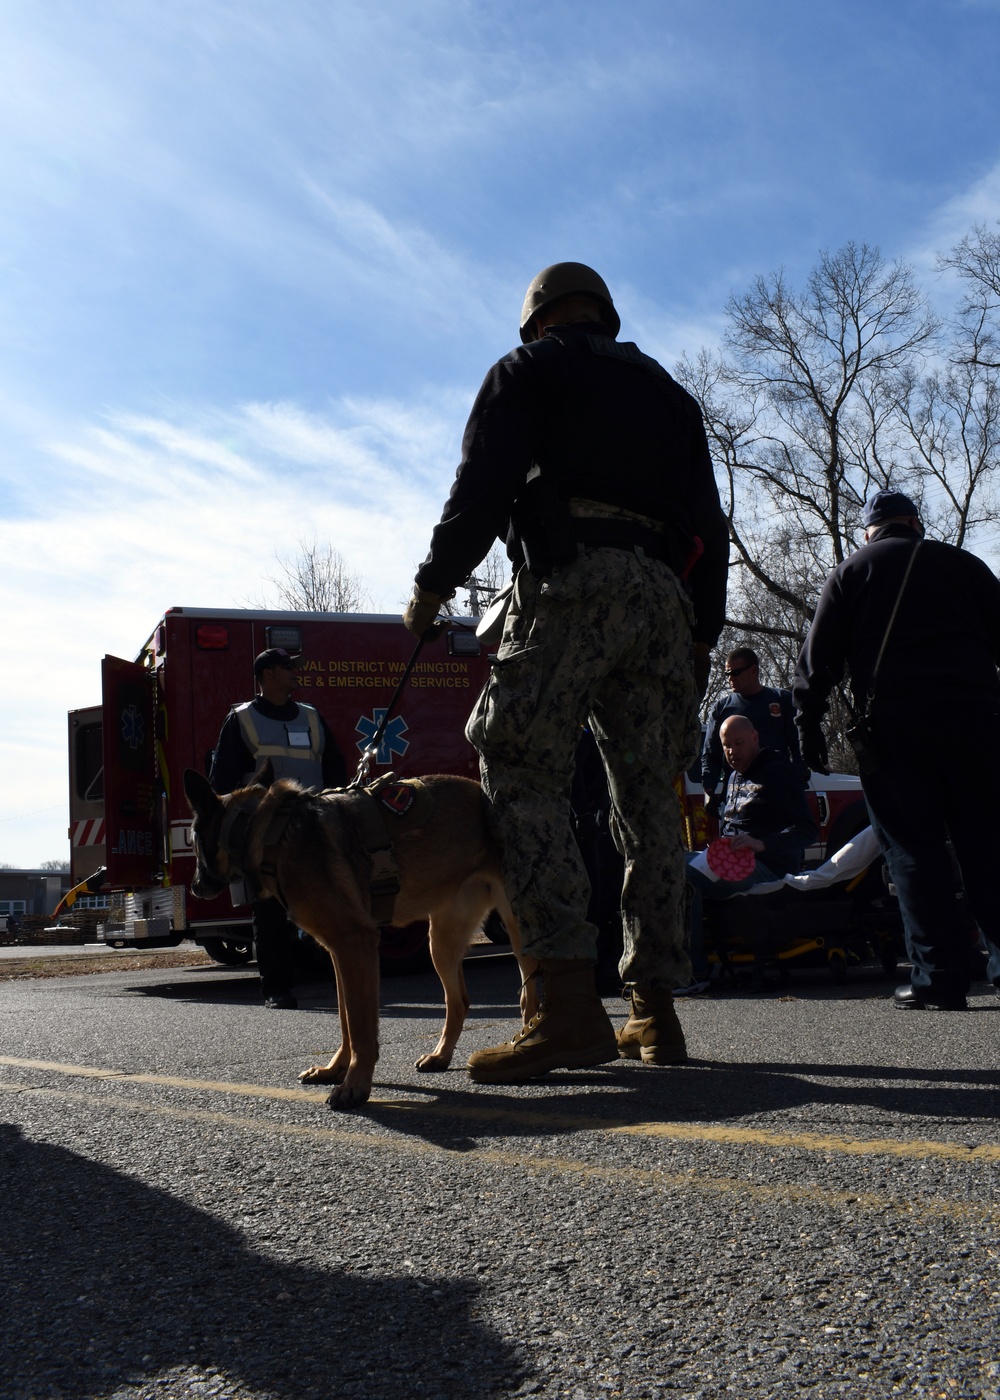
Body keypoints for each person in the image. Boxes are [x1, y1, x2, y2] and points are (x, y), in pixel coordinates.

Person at [403, 260, 729, 1080]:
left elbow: (482, 483)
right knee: (651, 801)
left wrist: (435, 582)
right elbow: (710, 525)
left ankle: (565, 1005)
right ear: (605, 316)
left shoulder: (528, 370)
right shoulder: (668, 394)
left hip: (571, 580)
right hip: (662, 600)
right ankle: (655, 1011)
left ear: (537, 319)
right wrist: (702, 634)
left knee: (519, 766)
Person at [793, 489, 1000, 1010]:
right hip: (976, 719)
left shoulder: (851, 572)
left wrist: (807, 720)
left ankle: (939, 977)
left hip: (895, 726)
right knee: (988, 846)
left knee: (912, 850)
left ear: (870, 531)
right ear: (914, 523)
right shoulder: (965, 565)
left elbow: (819, 659)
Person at [209, 647, 347, 1009]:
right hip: (264, 834)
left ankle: (343, 981)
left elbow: (335, 770)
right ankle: (277, 988)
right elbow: (221, 784)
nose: (295, 673)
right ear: (267, 674)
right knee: (269, 912)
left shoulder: (312, 717)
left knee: (326, 905)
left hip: (313, 829)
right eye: (288, 667)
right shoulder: (241, 720)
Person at [683, 715, 817, 989]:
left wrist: (761, 843)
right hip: (730, 863)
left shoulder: (778, 772)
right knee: (666, 863)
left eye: (739, 743)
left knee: (684, 873)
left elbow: (806, 831)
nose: (732, 751)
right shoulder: (732, 776)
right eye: (727, 745)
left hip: (769, 868)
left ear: (755, 737)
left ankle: (693, 971)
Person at [701, 647, 807, 807]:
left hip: (777, 789)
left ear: (753, 670)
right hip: (737, 794)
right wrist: (708, 789)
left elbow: (799, 745)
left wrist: (797, 777)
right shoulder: (721, 709)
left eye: (735, 673)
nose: (730, 678)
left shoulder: (782, 700)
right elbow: (711, 753)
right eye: (727, 674)